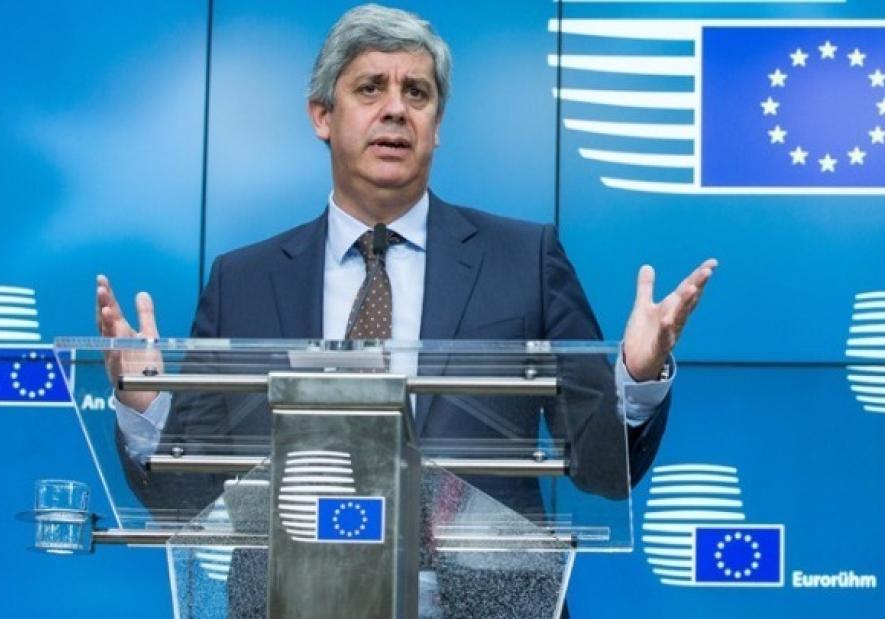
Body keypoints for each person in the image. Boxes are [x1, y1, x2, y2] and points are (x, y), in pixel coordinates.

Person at [95, 5, 715, 612]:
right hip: (289, 599)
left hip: (487, 602)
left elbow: (601, 469)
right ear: (322, 115)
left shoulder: (524, 259)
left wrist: (636, 379)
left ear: (436, 125)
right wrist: (146, 409)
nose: (396, 109)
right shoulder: (245, 281)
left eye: (416, 93)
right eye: (370, 88)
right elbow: (187, 496)